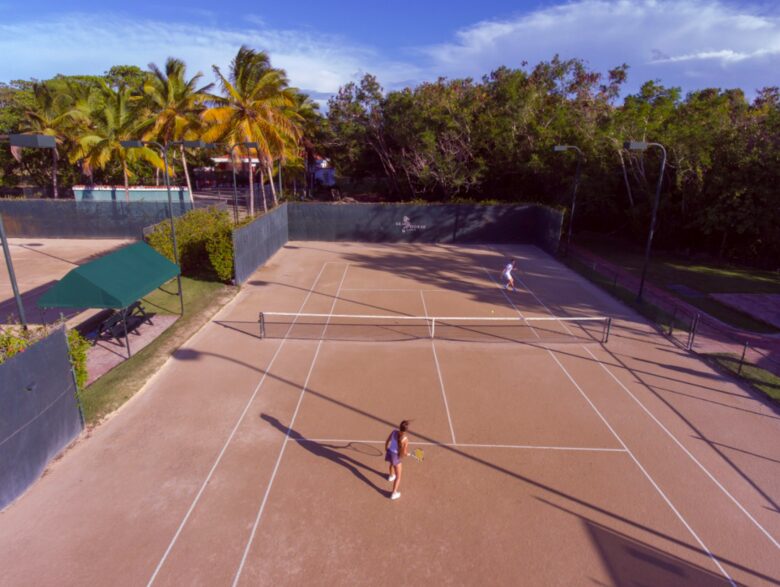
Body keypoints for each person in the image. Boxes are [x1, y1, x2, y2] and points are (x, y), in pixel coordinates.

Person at [385, 420, 410, 500]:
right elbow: (403, 452)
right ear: (406, 430)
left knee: (391, 463)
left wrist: (386, 448)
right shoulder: (405, 439)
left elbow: (387, 441)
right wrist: (407, 454)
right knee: (398, 476)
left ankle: (391, 476)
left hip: (390, 452)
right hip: (396, 456)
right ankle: (394, 493)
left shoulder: (394, 432)